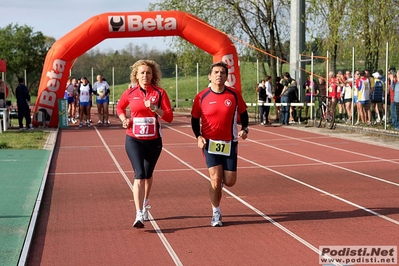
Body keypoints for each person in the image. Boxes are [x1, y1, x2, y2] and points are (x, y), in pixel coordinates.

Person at [191, 61, 249, 227]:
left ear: (226, 76)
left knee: (229, 181)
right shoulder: (201, 97)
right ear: (210, 76)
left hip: (229, 142)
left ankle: (218, 184)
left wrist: (245, 129)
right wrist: (198, 136)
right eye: (216, 72)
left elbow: (244, 114)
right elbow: (194, 120)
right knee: (216, 180)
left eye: (222, 73)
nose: (219, 75)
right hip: (210, 143)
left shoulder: (234, 95)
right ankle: (216, 212)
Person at [117, 59, 173, 228]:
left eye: (148, 72)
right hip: (133, 138)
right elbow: (120, 108)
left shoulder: (160, 92)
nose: (145, 75)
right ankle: (138, 213)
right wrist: (124, 119)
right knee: (139, 174)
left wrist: (156, 108)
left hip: (153, 140)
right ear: (136, 75)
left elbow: (169, 117)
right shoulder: (130, 92)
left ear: (153, 75)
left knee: (148, 175)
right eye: (141, 72)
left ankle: (145, 202)